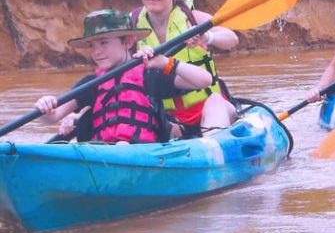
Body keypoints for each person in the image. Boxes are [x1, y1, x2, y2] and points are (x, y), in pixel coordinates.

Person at [35, 9, 213, 144]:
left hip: (144, 153)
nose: (96, 51)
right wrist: (46, 105)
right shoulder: (92, 84)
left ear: (128, 42)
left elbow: (205, 80)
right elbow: (52, 117)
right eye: (91, 45)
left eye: (104, 43)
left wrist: (164, 62)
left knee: (122, 146)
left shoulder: (149, 74)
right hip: (101, 153)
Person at [131, 0, 238, 137]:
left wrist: (207, 37)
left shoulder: (193, 18)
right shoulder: (132, 25)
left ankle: (213, 147)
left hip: (207, 108)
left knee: (215, 102)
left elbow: (232, 39)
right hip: (167, 117)